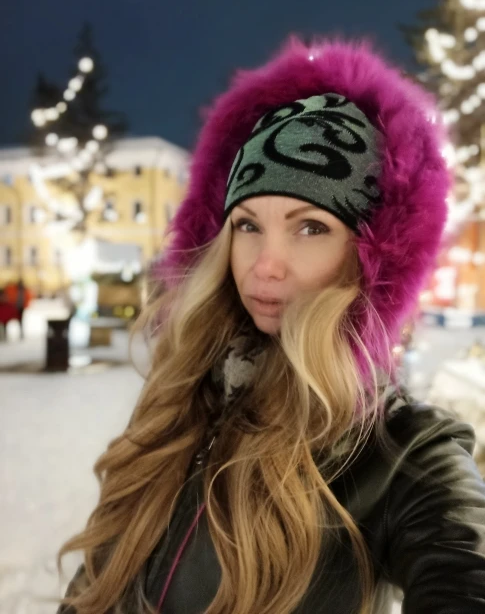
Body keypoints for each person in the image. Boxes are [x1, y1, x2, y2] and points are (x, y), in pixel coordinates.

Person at [56, 36, 485, 614]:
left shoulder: (401, 453)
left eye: (310, 227)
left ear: (369, 257)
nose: (264, 265)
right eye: (248, 225)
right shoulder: (182, 398)